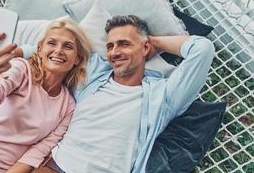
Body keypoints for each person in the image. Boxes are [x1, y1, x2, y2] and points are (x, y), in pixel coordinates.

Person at [17, 15, 215, 173]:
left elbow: (202, 49)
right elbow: (56, 52)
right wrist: (20, 52)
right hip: (54, 167)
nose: (114, 52)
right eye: (110, 46)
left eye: (124, 44)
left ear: (145, 47)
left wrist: (156, 42)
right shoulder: (94, 73)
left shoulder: (164, 96)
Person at [0, 19, 91, 173]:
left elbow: (36, 154)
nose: (58, 50)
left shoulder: (69, 107)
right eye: (52, 43)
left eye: (68, 46)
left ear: (77, 58)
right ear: (39, 50)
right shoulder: (21, 69)